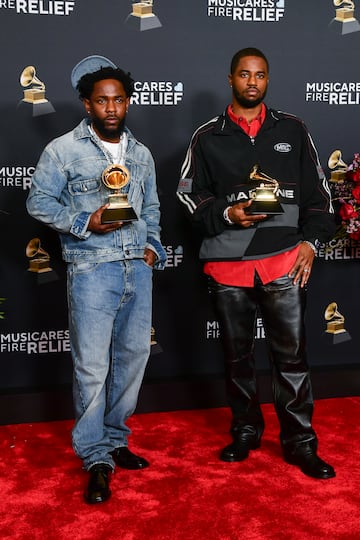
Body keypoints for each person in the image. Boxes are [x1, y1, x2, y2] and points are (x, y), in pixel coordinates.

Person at [177, 47, 336, 479]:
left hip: (283, 262)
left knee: (292, 358)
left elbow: (318, 197)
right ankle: (245, 430)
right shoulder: (207, 135)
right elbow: (188, 195)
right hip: (227, 267)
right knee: (237, 358)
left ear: (268, 80)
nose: (252, 81)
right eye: (244, 74)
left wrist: (311, 244)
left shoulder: (294, 129)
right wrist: (228, 214)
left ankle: (300, 443)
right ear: (230, 79)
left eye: (260, 75)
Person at [27, 55, 166, 503]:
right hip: (92, 269)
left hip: (136, 270)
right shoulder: (62, 150)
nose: (111, 108)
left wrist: (152, 249)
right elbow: (38, 202)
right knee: (92, 366)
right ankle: (95, 456)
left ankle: (116, 439)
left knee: (132, 358)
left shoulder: (141, 154)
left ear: (127, 103)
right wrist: (85, 220)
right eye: (102, 101)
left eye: (119, 100)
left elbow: (152, 211)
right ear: (87, 104)